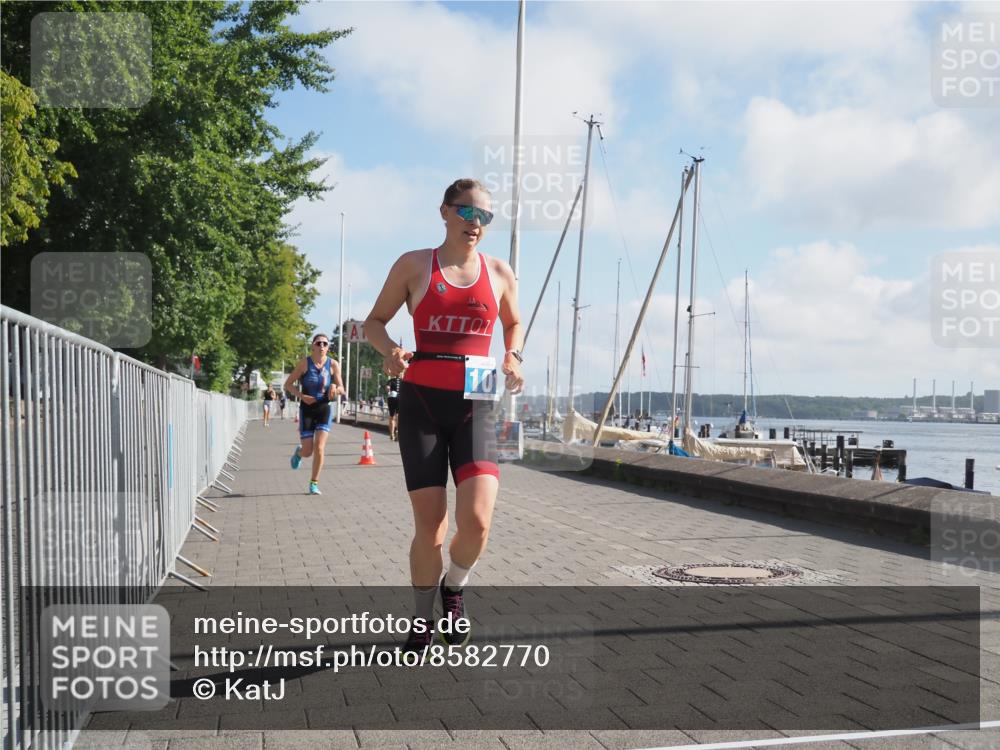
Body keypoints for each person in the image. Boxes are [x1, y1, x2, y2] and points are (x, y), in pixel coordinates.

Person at [365, 178, 524, 652]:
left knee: (476, 521)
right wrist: (391, 350)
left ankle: (454, 588)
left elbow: (513, 323)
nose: (476, 224)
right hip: (423, 407)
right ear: (444, 212)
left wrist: (514, 356)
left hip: (478, 406)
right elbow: (373, 322)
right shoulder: (415, 265)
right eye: (467, 212)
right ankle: (421, 619)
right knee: (430, 524)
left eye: (485, 217)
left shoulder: (498, 272)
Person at [283, 334, 344, 495]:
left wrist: (335, 389)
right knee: (308, 451)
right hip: (307, 410)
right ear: (313, 346)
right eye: (319, 343)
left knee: (320, 448)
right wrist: (302, 396)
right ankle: (299, 453)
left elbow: (342, 389)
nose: (322, 346)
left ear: (328, 347)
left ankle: (313, 483)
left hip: (324, 408)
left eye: (325, 343)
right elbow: (288, 384)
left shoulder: (333, 364)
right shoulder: (304, 363)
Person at [385, 375, 401, 441]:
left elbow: (387, 388)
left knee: (391, 416)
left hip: (391, 398)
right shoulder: (403, 381)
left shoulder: (390, 380)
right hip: (400, 398)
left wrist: (389, 389)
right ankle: (397, 431)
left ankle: (392, 434)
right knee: (398, 415)